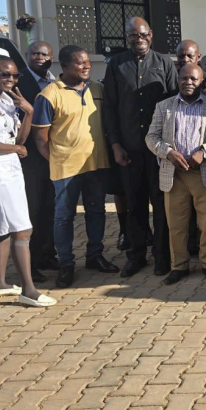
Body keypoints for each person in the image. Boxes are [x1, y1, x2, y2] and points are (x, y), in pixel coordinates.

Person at [0, 55, 56, 307]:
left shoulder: (8, 100)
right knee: (20, 228)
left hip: (10, 168)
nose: (10, 79)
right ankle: (29, 289)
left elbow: (19, 139)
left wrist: (28, 112)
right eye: (4, 74)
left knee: (3, 229)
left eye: (15, 75)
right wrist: (16, 150)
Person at [32, 45, 119, 288]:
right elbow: (40, 139)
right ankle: (66, 263)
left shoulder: (98, 89)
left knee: (96, 211)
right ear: (65, 66)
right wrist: (58, 161)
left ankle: (95, 256)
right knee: (64, 217)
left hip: (96, 164)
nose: (86, 66)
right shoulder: (49, 95)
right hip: (66, 170)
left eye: (88, 62)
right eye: (80, 63)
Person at [102, 16, 178, 278]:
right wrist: (114, 144)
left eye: (143, 34)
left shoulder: (165, 64)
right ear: (127, 37)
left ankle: (161, 256)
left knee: (160, 203)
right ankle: (135, 256)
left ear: (151, 34)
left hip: (158, 150)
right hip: (129, 148)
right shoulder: (116, 65)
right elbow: (109, 108)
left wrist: (169, 147)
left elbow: (173, 104)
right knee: (134, 204)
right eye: (134, 35)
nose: (139, 39)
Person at [146, 64, 206, 284]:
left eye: (193, 79)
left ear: (201, 81)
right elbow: (151, 137)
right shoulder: (163, 107)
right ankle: (179, 266)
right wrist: (168, 152)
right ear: (178, 79)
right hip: (174, 175)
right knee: (176, 225)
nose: (189, 82)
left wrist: (204, 152)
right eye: (184, 78)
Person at [18, 40, 58, 282]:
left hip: (52, 154)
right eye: (34, 53)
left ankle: (47, 254)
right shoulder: (19, 81)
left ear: (51, 57)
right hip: (30, 155)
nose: (39, 57)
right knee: (32, 210)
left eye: (44, 54)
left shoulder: (56, 82)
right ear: (27, 55)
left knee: (49, 207)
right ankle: (30, 263)